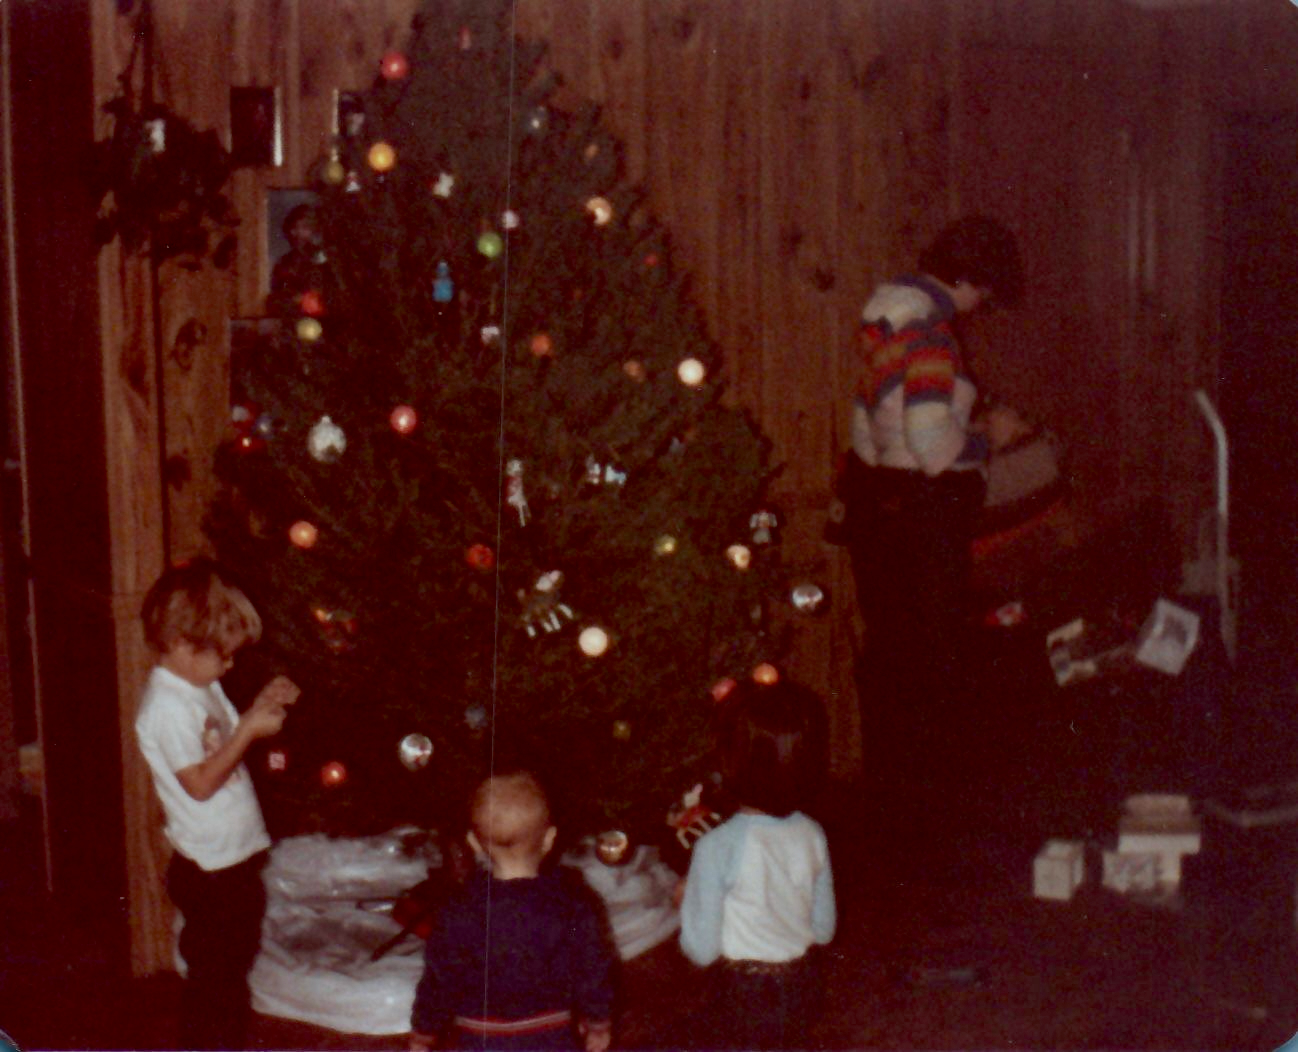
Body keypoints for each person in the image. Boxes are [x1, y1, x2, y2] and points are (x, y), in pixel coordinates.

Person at [839, 216, 1027, 812]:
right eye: (984, 293)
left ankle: (897, 805)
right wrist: (991, 438)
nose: (980, 307)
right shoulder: (930, 334)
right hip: (925, 518)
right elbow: (931, 445)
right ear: (968, 279)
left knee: (891, 658)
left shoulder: (884, 321)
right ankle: (937, 811)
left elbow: (868, 428)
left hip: (879, 505)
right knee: (934, 662)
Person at [135, 557, 300, 1050]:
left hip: (232, 859)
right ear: (181, 644)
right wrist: (249, 730)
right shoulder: (166, 707)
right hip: (209, 871)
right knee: (214, 985)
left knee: (231, 975)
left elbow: (221, 745)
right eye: (223, 656)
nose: (229, 665)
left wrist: (259, 707)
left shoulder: (198, 684)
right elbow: (201, 784)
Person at [677, 679, 836, 1049]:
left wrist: (686, 901)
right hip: (802, 986)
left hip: (742, 994)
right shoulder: (813, 834)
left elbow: (701, 949)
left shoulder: (717, 846)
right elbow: (823, 929)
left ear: (728, 763)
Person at [409, 770, 615, 1052]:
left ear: (473, 843)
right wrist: (598, 1020)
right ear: (549, 839)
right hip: (551, 1036)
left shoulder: (457, 910)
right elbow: (594, 969)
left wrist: (424, 1031)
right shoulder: (574, 904)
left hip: (480, 1039)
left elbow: (438, 980)